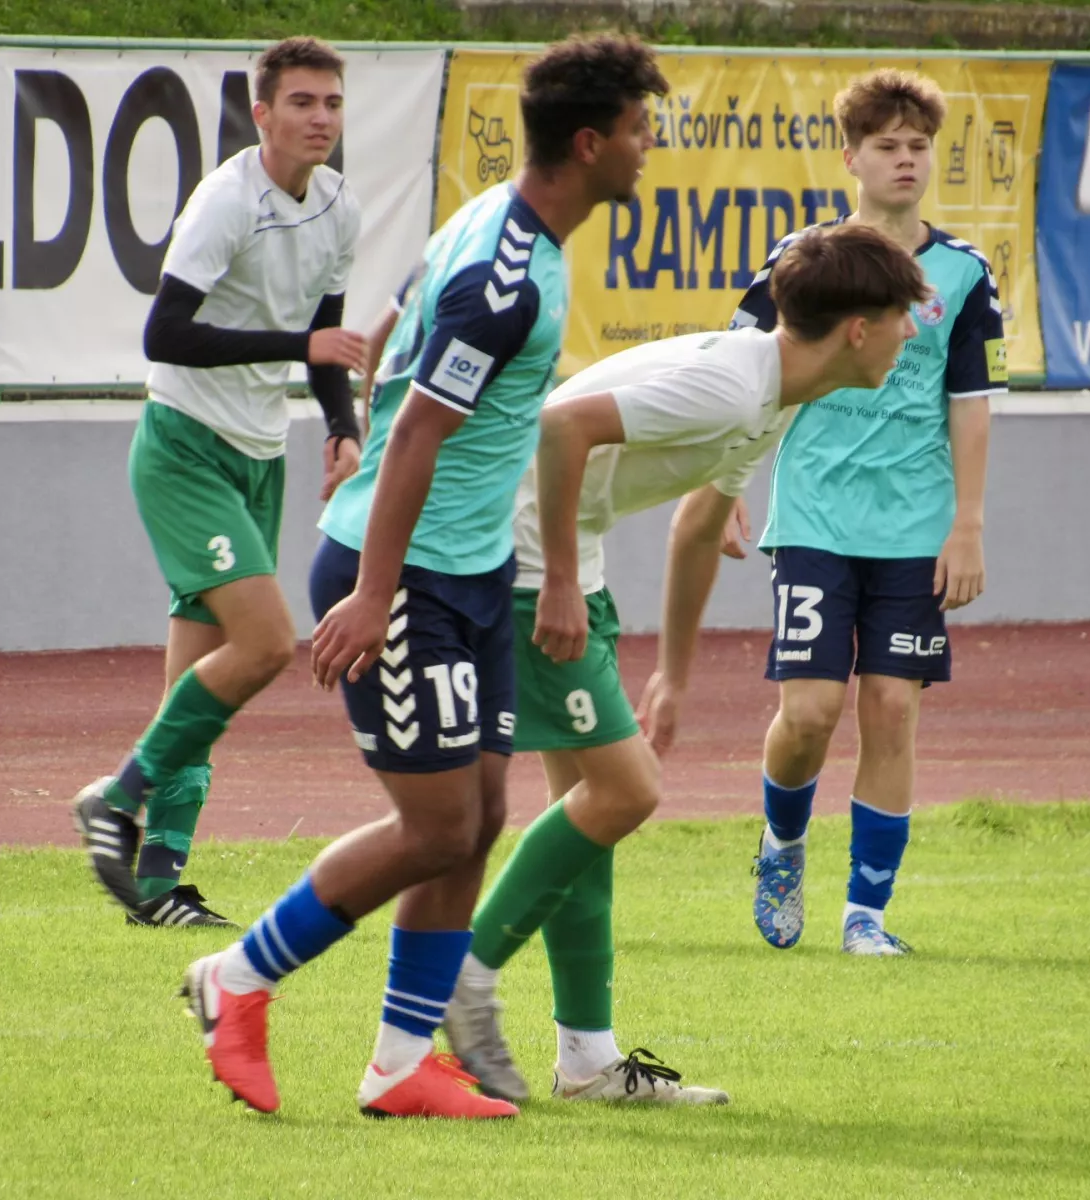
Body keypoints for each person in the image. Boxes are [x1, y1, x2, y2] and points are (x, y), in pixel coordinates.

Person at [179, 34, 669, 1119]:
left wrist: (358, 438)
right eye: (640, 130)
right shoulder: (507, 277)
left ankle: (402, 1063)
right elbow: (419, 434)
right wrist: (373, 589)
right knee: (437, 827)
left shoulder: (495, 223)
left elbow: (393, 324)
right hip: (407, 580)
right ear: (590, 144)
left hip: (472, 572)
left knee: (480, 815)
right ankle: (236, 976)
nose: (649, 147)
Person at [443, 223, 930, 1104]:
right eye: (902, 315)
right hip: (516, 551)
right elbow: (560, 427)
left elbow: (700, 528)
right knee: (625, 791)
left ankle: (587, 1063)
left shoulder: (778, 392)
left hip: (561, 549)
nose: (911, 331)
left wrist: (672, 672)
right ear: (858, 329)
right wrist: (559, 581)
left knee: (587, 808)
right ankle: (462, 975)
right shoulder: (733, 386)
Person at [70, 37, 365, 928]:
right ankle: (115, 799)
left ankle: (158, 886)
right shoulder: (226, 201)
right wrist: (302, 347)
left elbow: (326, 340)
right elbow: (165, 334)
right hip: (184, 447)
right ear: (261, 112)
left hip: (260, 457)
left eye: (332, 102)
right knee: (267, 644)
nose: (320, 118)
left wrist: (343, 429)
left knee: (201, 683)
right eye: (302, 102)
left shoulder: (340, 207)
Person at [734, 71, 1003, 957]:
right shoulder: (803, 260)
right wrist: (722, 484)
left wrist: (968, 524)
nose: (905, 160)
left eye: (918, 145)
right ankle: (782, 844)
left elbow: (970, 404)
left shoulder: (964, 273)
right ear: (850, 157)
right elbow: (740, 378)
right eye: (886, 146)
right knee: (811, 712)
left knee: (891, 708)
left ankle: (866, 916)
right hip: (814, 520)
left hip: (914, 530)